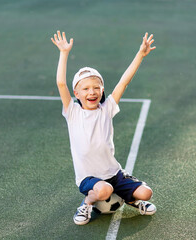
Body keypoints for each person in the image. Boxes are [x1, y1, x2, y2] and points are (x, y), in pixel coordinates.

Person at [51, 30, 156, 225]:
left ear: (102, 90)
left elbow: (124, 82)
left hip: (113, 174)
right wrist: (64, 53)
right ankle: (86, 204)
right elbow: (60, 83)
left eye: (96, 87)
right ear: (77, 92)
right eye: (86, 88)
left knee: (146, 193)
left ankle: (132, 200)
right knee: (103, 190)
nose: (92, 92)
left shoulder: (106, 109)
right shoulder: (72, 112)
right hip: (88, 178)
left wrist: (140, 55)